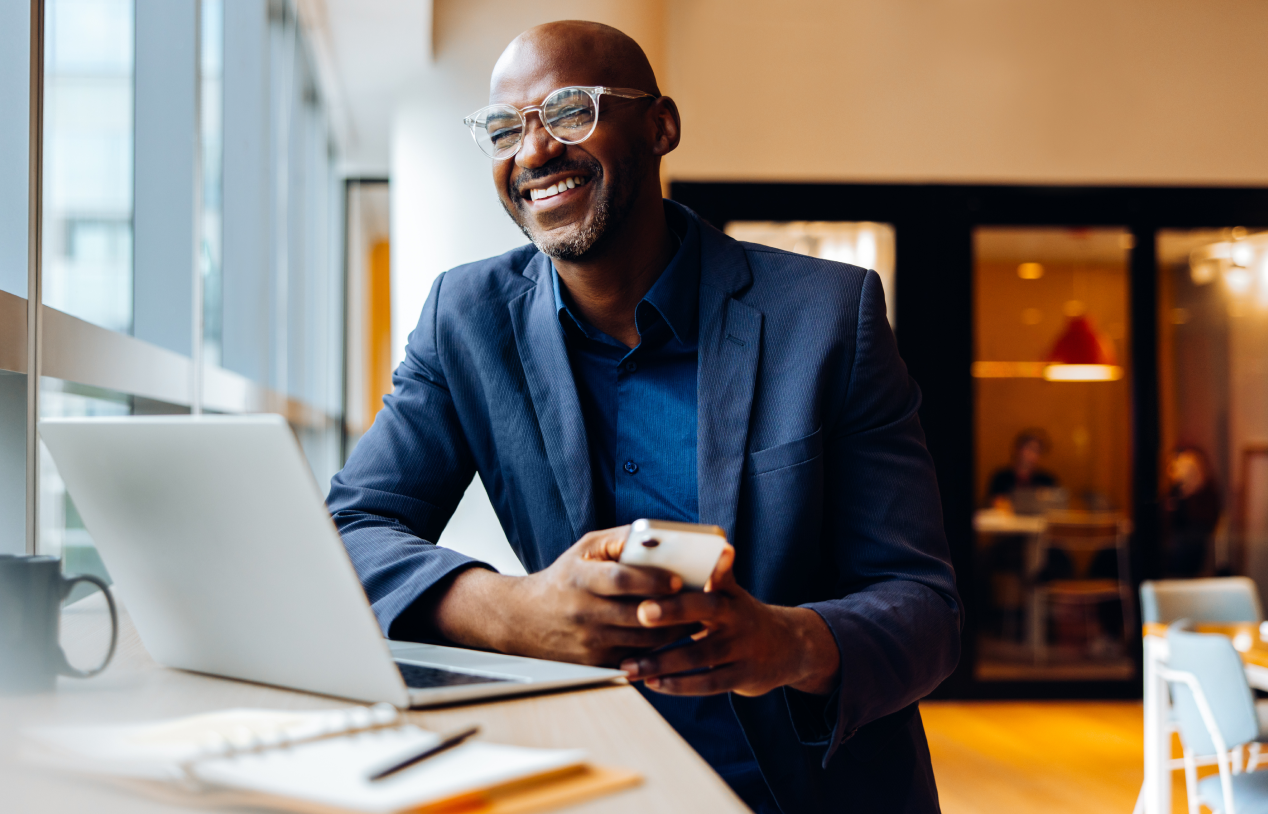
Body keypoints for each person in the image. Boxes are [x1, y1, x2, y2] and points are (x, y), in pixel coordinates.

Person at [326, 20, 960, 814]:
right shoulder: (467, 317)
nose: (533, 153)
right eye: (503, 129)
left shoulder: (828, 317)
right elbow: (350, 531)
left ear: (662, 126)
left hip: (808, 791)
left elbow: (925, 608)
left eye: (569, 112)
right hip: (591, 782)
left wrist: (784, 643)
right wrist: (519, 612)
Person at [1162, 446, 1222, 578]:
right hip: (1173, 542)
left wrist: (1187, 494)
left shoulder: (1206, 492)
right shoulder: (1174, 491)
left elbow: (1203, 522)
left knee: (1182, 544)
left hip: (1193, 543)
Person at [985, 430, 1059, 509]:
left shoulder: (1046, 479)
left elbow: (1055, 506)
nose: (1032, 454)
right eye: (1029, 448)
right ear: (1018, 449)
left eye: (1037, 451)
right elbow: (992, 503)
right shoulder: (1001, 477)